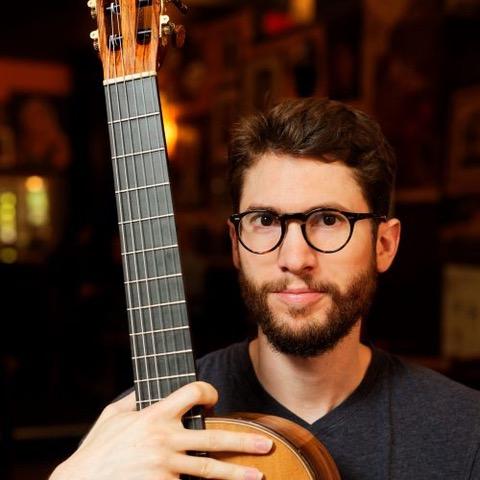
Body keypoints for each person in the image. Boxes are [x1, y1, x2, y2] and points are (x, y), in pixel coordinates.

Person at [50, 98, 480, 480]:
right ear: (235, 245)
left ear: (384, 245)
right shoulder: (146, 423)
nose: (295, 258)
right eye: (266, 221)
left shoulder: (465, 431)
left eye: (329, 220)